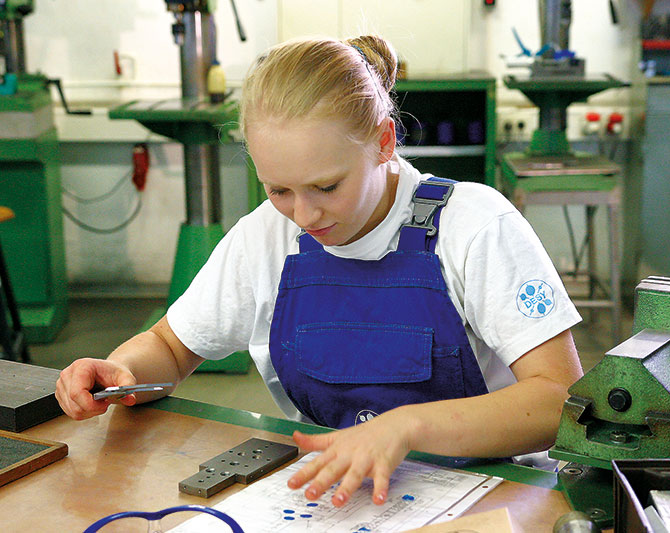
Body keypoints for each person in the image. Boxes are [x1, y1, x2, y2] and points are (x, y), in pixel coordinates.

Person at [56, 35, 583, 508]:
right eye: (278, 189)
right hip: (337, 497)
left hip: (490, 494)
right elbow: (170, 348)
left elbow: (559, 400)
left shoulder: (474, 227)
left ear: (384, 141)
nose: (304, 217)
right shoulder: (265, 236)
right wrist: (118, 371)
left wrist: (407, 428)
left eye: (327, 187)